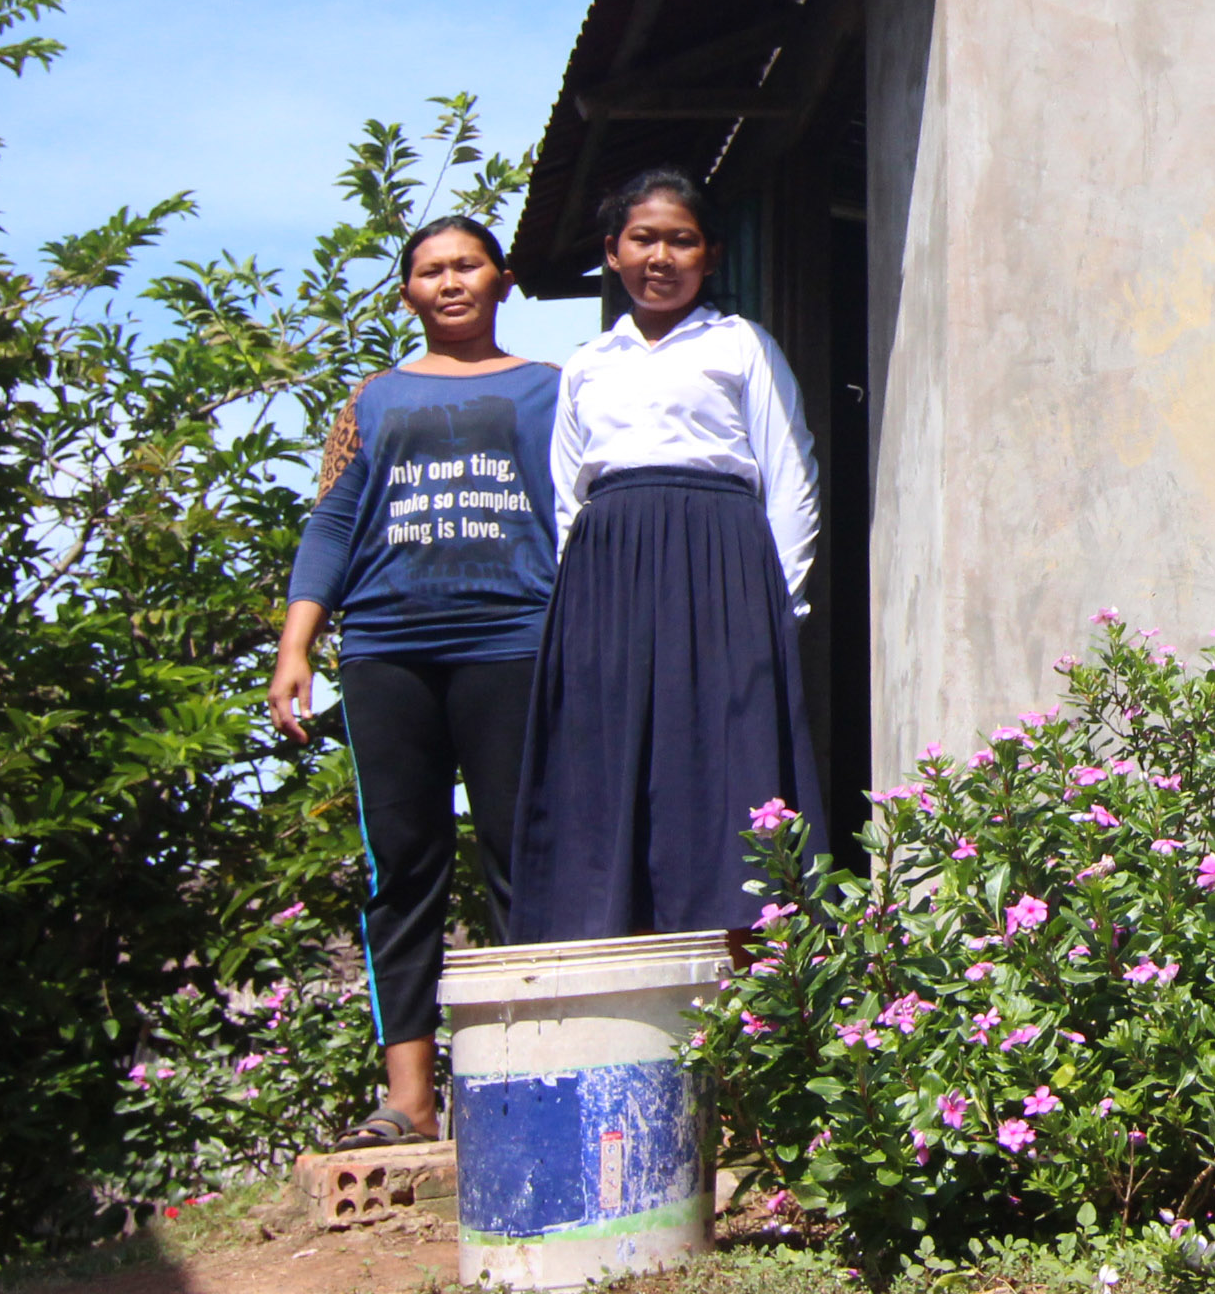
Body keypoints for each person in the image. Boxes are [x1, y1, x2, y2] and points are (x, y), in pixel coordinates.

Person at [268, 214, 561, 1150]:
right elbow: (331, 524)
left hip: (515, 644)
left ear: (501, 280)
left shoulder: (554, 389)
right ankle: (409, 1100)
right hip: (389, 651)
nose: (449, 282)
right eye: (430, 271)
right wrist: (296, 647)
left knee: (524, 860)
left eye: (466, 265)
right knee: (403, 866)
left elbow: (580, 508)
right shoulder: (376, 400)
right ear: (407, 293)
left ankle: (528, 1085)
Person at [512, 167, 828, 940]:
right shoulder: (588, 362)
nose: (662, 257)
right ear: (612, 255)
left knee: (725, 748)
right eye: (643, 239)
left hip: (721, 565)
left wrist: (777, 606)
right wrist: (582, 600)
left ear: (710, 255)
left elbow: (789, 473)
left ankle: (747, 953)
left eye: (681, 241)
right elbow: (567, 492)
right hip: (608, 571)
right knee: (610, 750)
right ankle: (602, 939)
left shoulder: (741, 345)